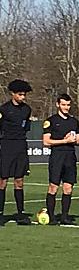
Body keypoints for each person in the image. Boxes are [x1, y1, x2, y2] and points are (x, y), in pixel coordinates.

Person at [42, 94, 79, 225]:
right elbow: (46, 141)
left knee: (68, 187)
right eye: (63, 104)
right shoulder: (51, 121)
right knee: (53, 186)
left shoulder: (74, 121)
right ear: (58, 104)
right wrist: (64, 140)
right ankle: (52, 217)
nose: (66, 107)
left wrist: (76, 139)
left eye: (68, 105)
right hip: (57, 156)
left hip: (70, 156)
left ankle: (65, 216)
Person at [0, 79, 33, 226]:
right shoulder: (3, 110)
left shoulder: (27, 110)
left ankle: (20, 214)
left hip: (21, 146)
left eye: (24, 95)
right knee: (3, 181)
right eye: (20, 94)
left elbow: (26, 128)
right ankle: (1, 214)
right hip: (6, 146)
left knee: (19, 181)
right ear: (12, 94)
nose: (23, 97)